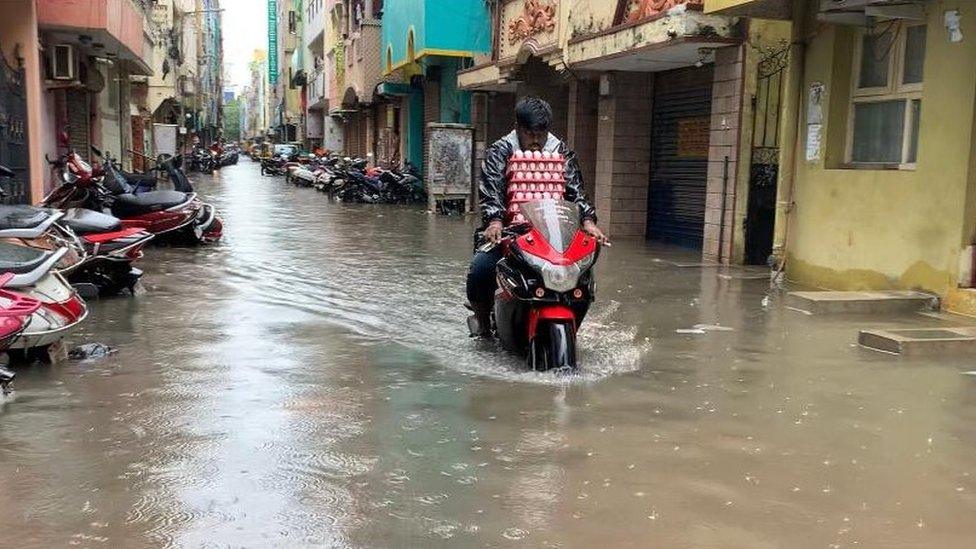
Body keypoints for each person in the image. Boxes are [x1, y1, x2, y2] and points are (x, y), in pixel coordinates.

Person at [465, 96, 607, 337]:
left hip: (554, 236)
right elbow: (491, 190)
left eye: (541, 134)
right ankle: (483, 324)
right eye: (530, 134)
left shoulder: (560, 152)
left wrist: (588, 221)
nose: (536, 141)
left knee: (583, 278)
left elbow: (576, 191)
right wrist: (495, 220)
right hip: (510, 234)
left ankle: (572, 323)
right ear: (518, 127)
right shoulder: (500, 151)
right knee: (480, 269)